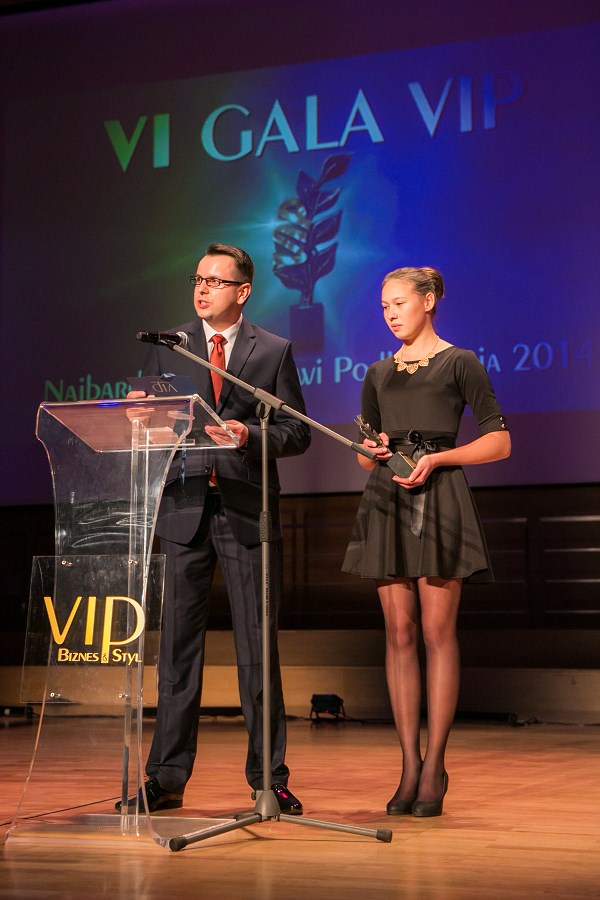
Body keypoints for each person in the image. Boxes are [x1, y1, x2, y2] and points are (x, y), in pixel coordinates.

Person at [118, 243, 311, 815]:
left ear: (242, 291)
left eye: (215, 281)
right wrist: (140, 420)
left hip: (248, 510)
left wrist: (250, 436)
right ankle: (166, 779)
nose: (202, 289)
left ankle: (269, 779)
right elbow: (154, 423)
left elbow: (297, 433)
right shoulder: (169, 346)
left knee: (258, 650)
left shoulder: (271, 350)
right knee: (177, 653)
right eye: (197, 279)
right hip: (183, 511)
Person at [342, 266, 511, 817]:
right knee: (398, 633)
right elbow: (365, 455)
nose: (390, 314)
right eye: (384, 306)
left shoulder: (460, 362)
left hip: (440, 497)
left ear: (429, 300)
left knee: (438, 632)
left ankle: (435, 764)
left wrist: (438, 459)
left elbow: (499, 441)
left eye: (399, 303)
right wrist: (374, 449)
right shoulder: (376, 373)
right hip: (388, 499)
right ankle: (409, 765)